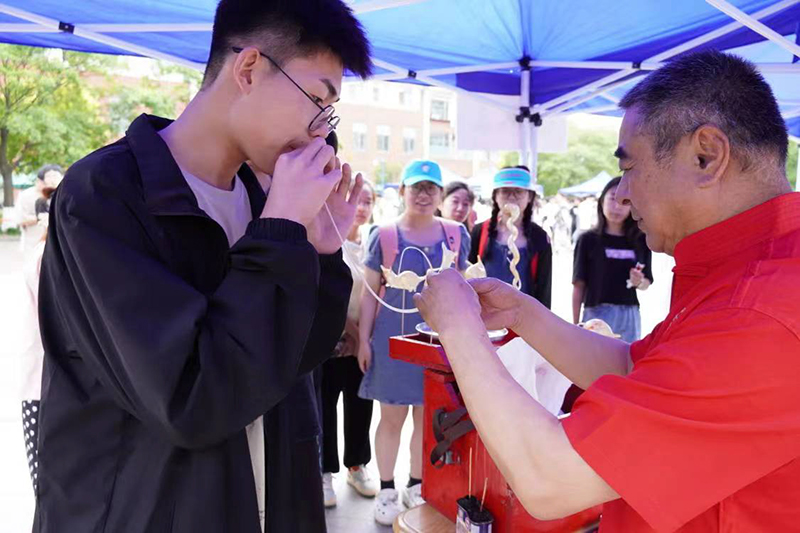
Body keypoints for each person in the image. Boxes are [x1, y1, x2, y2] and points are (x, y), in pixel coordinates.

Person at [414, 50, 800, 532]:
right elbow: (632, 369)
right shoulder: (744, 272)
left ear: (707, 156)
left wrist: (457, 326)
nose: (622, 193)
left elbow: (550, 480)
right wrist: (522, 314)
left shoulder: (763, 313)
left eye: (630, 167)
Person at [35, 1, 372, 532]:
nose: (318, 131)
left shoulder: (263, 197)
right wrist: (280, 232)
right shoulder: (105, 195)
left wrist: (321, 254)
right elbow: (190, 400)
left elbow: (297, 358)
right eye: (316, 100)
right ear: (249, 69)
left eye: (328, 113)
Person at [357, 160, 470, 525]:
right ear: (403, 191)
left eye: (430, 188)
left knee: (427, 418)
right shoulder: (384, 235)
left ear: (440, 194)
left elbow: (462, 289)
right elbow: (370, 293)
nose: (423, 195)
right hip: (391, 341)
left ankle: (417, 484)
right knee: (391, 417)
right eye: (416, 187)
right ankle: (386, 489)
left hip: (436, 343)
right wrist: (363, 341)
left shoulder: (455, 234)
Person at [320, 179, 378, 507]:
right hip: (329, 341)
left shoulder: (374, 244)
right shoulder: (327, 239)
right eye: (357, 200)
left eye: (368, 201)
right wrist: (352, 331)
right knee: (325, 406)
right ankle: (324, 471)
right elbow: (324, 291)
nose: (361, 207)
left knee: (360, 405)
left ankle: (357, 465)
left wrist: (364, 336)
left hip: (363, 342)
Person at [572, 176, 653, 342]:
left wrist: (638, 281)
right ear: (602, 201)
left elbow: (646, 283)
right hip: (596, 314)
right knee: (594, 357)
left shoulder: (641, 240)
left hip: (629, 315)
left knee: (626, 357)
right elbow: (579, 285)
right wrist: (575, 324)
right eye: (612, 199)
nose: (617, 207)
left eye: (625, 202)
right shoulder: (587, 240)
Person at [469, 166, 552, 308]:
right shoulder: (479, 231)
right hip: (482, 312)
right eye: (505, 191)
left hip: (524, 314)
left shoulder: (540, 237)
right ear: (495, 196)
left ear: (529, 197)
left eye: (518, 191)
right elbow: (468, 274)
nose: (512, 197)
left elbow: (544, 288)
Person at [15, 165, 61, 253]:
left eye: (55, 176)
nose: (52, 181)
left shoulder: (60, 194)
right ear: (39, 180)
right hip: (33, 242)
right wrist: (43, 218)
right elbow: (20, 219)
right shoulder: (26, 196)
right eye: (48, 177)